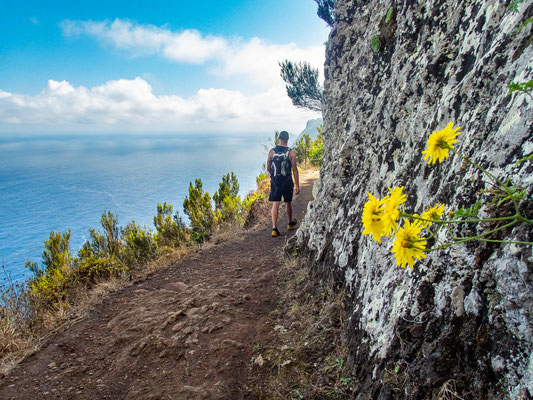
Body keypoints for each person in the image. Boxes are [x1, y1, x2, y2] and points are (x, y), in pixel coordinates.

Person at [266, 130, 300, 237]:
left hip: (275, 181)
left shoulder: (272, 151)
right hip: (287, 181)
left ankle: (274, 229)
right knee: (288, 202)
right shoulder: (291, 152)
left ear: (279, 138)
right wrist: (297, 185)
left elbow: (268, 167)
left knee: (275, 204)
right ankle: (290, 223)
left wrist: (273, 176)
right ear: (287, 139)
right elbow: (294, 169)